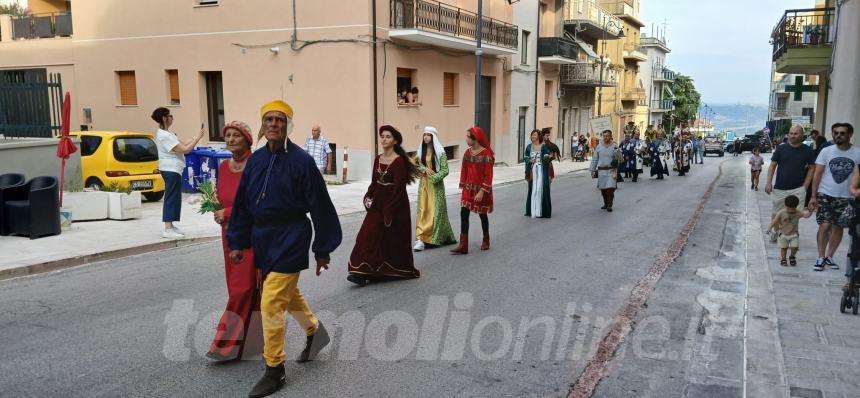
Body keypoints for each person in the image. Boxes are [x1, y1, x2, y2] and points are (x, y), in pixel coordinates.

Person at [227, 100, 342, 398]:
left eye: (280, 120)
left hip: (292, 235)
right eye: (269, 120)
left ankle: (274, 369)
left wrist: (323, 249)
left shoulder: (302, 161)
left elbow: (320, 205)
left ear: (288, 126)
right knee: (286, 293)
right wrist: (237, 240)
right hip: (263, 237)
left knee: (271, 300)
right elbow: (242, 203)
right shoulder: (255, 160)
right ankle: (315, 332)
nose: (274, 124)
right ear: (263, 126)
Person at [207, 120, 263, 363]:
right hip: (229, 234)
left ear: (247, 140)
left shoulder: (256, 164)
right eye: (227, 135)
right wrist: (218, 211)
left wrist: (228, 213)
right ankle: (251, 343)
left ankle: (225, 345)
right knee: (238, 287)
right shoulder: (222, 166)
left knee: (244, 287)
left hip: (251, 233)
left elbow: (258, 201)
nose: (230, 139)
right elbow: (222, 196)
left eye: (236, 136)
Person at [348, 125, 421, 285]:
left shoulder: (399, 161)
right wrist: (368, 196)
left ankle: (372, 271)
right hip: (377, 204)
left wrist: (389, 210)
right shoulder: (378, 159)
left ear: (395, 140)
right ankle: (361, 270)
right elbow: (375, 183)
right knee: (366, 236)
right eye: (382, 136)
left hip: (395, 205)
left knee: (390, 240)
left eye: (388, 136)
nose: (384, 139)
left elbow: (398, 189)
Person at [809, 123, 859, 271]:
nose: (838, 136)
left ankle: (829, 256)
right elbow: (817, 174)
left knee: (838, 227)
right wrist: (813, 196)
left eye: (842, 133)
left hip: (847, 198)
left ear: (850, 135)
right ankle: (820, 256)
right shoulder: (826, 151)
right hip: (826, 194)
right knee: (824, 225)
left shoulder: (857, 153)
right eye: (835, 133)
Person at [151, 107, 204, 239]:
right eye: (170, 116)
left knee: (175, 198)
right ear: (164, 118)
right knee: (171, 198)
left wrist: (195, 136)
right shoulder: (164, 136)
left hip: (174, 170)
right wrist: (198, 138)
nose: (172, 118)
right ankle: (167, 229)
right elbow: (185, 149)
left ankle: (171, 226)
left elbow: (182, 143)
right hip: (170, 170)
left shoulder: (167, 134)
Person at [765, 124, 815, 243]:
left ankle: (791, 233)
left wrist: (805, 186)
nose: (792, 136)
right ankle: (776, 231)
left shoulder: (807, 150)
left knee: (795, 213)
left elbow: (812, 168)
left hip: (798, 188)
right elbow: (772, 166)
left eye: (795, 133)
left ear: (802, 135)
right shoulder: (781, 149)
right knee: (776, 213)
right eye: (791, 133)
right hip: (780, 187)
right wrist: (768, 183)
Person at [412, 126, 457, 251]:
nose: (425, 137)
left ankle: (434, 237)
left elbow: (445, 170)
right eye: (424, 135)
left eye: (428, 135)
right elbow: (414, 163)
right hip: (424, 185)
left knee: (435, 212)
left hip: (436, 186)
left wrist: (434, 178)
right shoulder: (421, 151)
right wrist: (425, 169)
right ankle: (420, 238)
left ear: (433, 137)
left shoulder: (440, 152)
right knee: (423, 210)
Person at [450, 126, 494, 254]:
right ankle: (463, 245)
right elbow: (464, 171)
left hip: (481, 191)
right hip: (468, 190)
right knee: (464, 213)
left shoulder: (486, 154)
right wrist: (463, 188)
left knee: (482, 215)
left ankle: (486, 239)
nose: (466, 139)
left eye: (468, 137)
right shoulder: (467, 153)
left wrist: (481, 191)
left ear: (475, 139)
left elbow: (489, 176)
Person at [767, 195, 813, 267]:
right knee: (784, 248)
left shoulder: (798, 212)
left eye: (793, 209)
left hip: (794, 234)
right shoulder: (781, 213)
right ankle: (783, 259)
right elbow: (775, 221)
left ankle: (792, 256)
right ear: (785, 205)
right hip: (783, 234)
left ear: (796, 206)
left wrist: (811, 211)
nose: (791, 211)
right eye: (789, 208)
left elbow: (806, 215)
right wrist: (769, 227)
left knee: (795, 247)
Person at [590, 129, 621, 212]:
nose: (605, 137)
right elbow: (595, 159)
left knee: (610, 189)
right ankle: (605, 203)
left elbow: (621, 158)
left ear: (610, 136)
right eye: (604, 136)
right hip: (601, 171)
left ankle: (610, 205)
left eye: (607, 136)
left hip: (612, 171)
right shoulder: (599, 146)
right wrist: (592, 170)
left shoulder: (615, 146)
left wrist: (617, 159)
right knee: (603, 189)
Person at [525, 129, 552, 218]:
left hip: (542, 171)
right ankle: (532, 211)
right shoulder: (529, 147)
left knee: (540, 189)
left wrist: (548, 157)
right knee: (533, 190)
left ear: (539, 136)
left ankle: (541, 212)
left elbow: (546, 158)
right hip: (533, 171)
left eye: (535, 135)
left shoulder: (544, 146)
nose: (533, 136)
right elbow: (525, 158)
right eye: (532, 135)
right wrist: (530, 160)